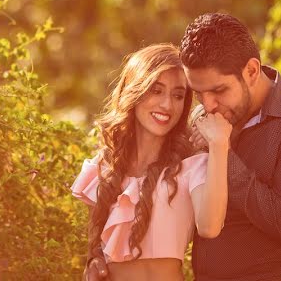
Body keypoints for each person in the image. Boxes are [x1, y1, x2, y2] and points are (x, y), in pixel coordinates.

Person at [180, 13, 281, 281]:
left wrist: (223, 153)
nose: (208, 104)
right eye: (199, 93)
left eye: (219, 90)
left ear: (251, 71)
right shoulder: (204, 119)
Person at [73, 43, 232, 281]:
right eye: (156, 91)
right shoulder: (103, 168)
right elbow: (96, 252)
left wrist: (219, 145)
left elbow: (210, 226)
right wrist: (93, 264)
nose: (167, 105)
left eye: (178, 95)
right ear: (134, 91)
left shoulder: (192, 167)